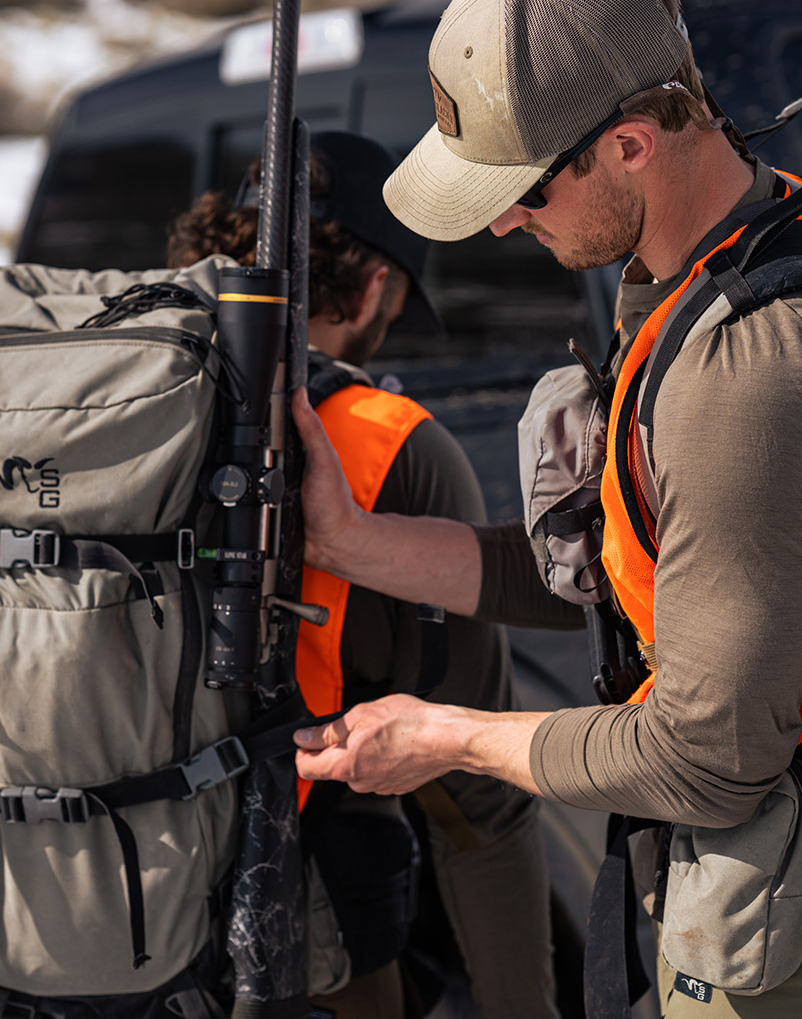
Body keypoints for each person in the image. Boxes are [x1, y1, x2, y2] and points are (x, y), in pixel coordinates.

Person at [287, 0, 802, 1019]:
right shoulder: (742, 245)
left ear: (627, 144)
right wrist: (348, 541)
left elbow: (710, 757)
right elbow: (643, 579)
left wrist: (443, 735)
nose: (499, 223)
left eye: (520, 189)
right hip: (785, 907)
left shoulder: (752, 372)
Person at [167, 130, 562, 1019]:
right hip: (289, 947)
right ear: (378, 284)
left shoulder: (108, 412)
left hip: (60, 922)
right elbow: (480, 811)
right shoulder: (388, 442)